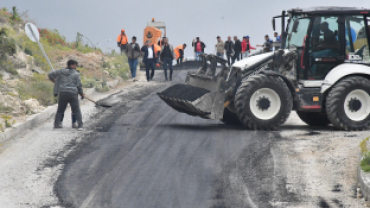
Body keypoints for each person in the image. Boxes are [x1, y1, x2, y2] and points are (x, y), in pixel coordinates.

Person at [48, 60, 84, 130]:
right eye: (75, 65)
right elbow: (79, 85)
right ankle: (80, 126)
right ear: (71, 65)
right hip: (73, 93)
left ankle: (57, 124)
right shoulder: (76, 74)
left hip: (63, 93)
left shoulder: (61, 71)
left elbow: (50, 74)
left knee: (60, 110)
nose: (76, 67)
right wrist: (81, 93)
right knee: (76, 110)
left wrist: (54, 81)